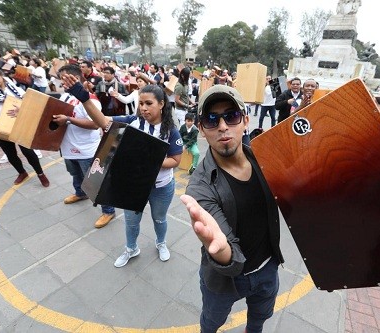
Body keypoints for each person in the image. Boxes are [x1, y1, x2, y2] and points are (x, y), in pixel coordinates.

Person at [182, 85, 284, 333]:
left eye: (231, 116)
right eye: (211, 119)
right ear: (202, 130)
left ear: (245, 121)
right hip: (224, 281)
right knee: (211, 324)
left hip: (268, 267)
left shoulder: (265, 159)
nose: (223, 126)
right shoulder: (199, 187)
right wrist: (221, 251)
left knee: (258, 320)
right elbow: (230, 254)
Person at [59, 75, 182, 266]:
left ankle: (161, 243)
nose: (143, 108)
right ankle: (131, 249)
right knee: (131, 222)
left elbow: (175, 160)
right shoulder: (132, 121)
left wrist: (147, 158)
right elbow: (103, 121)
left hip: (161, 186)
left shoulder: (171, 130)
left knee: (159, 219)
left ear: (161, 104)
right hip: (132, 186)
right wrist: (84, 98)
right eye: (140, 103)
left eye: (148, 103)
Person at [51, 64, 116, 228]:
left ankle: (108, 210)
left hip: (87, 150)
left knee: (96, 182)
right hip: (68, 148)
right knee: (75, 174)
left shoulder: (90, 99)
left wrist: (68, 119)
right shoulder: (65, 97)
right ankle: (80, 193)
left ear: (76, 78)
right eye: (61, 80)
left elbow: (96, 124)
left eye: (65, 79)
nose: (62, 83)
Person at [0, 65, 49, 187]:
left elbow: (30, 102)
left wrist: (21, 108)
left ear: (0, 75)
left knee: (28, 152)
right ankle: (22, 173)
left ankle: (40, 173)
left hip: (19, 124)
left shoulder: (15, 88)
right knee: (10, 154)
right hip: (1, 126)